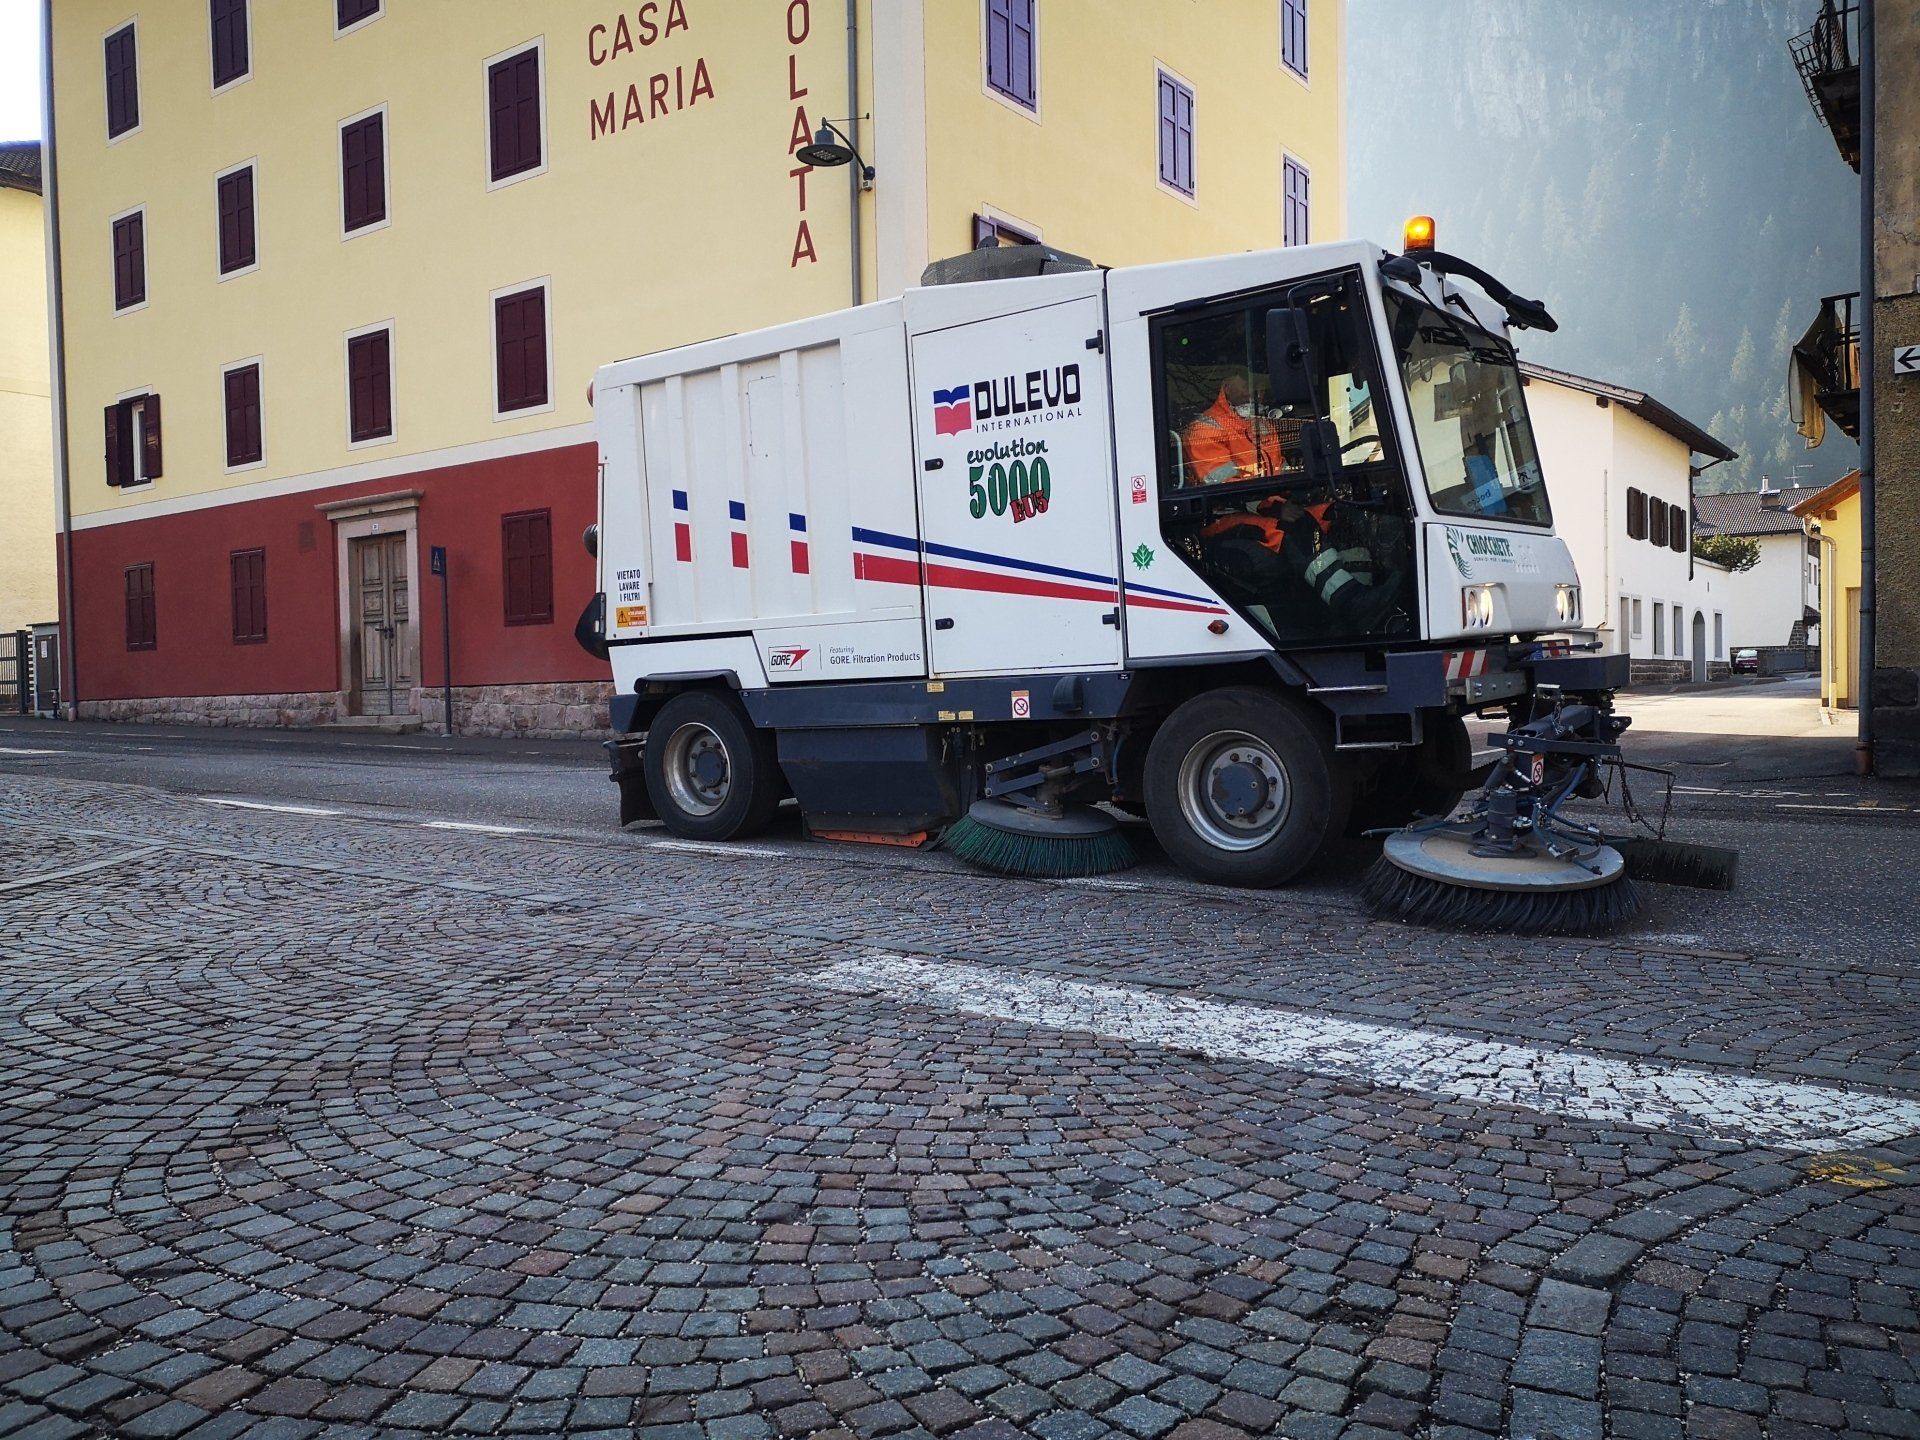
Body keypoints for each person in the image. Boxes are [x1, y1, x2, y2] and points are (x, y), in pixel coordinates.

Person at [1184, 374, 1283, 486]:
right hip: (1243, 496)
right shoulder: (1204, 428)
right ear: (1227, 387)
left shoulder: (1262, 422)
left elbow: (1279, 465)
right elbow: (1222, 486)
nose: (1255, 392)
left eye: (1260, 385)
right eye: (1247, 385)